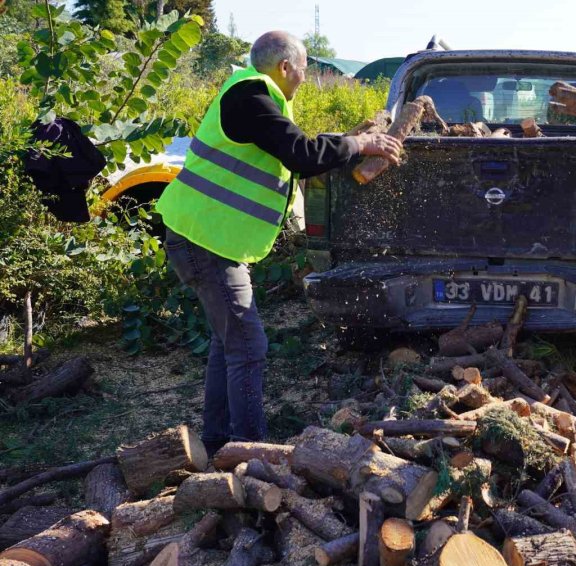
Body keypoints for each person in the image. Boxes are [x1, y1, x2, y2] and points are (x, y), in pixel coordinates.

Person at [154, 31, 402, 457]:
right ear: (285, 66)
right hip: (205, 240)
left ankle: (218, 442)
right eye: (305, 70)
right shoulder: (251, 95)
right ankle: (253, 454)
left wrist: (346, 148)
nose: (305, 79)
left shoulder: (254, 95)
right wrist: (361, 143)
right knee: (248, 345)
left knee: (226, 340)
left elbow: (299, 152)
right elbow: (301, 153)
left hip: (207, 237)